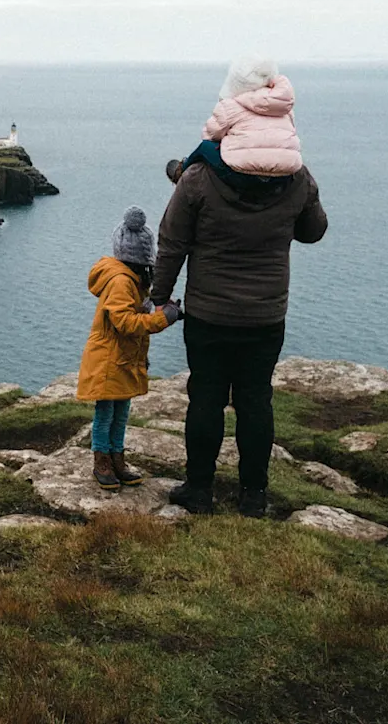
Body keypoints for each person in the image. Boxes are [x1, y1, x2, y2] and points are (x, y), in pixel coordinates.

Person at [152, 68, 328, 517]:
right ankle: (254, 497)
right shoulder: (298, 178)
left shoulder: (197, 177)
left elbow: (172, 243)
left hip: (210, 313)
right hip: (266, 315)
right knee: (255, 400)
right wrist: (303, 197)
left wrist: (159, 298)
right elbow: (313, 233)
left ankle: (199, 490)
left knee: (206, 397)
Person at [76, 207, 182, 491]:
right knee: (106, 413)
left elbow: (134, 308)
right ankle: (102, 461)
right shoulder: (122, 281)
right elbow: (123, 321)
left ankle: (116, 459)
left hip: (120, 358)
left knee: (120, 412)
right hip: (109, 360)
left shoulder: (131, 280)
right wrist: (162, 319)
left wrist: (157, 305)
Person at [165, 55, 302, 188]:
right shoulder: (285, 110)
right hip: (283, 177)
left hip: (241, 176)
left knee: (205, 147)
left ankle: (182, 171)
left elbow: (211, 134)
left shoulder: (231, 105)